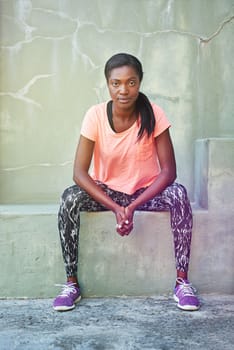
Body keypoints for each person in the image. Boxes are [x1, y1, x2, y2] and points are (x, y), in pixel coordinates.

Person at [53, 53, 200, 312]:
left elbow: (168, 172)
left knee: (178, 194)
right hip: (107, 191)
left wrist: (131, 207)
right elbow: (79, 172)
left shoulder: (154, 113)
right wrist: (115, 206)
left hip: (144, 192)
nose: (123, 90)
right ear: (108, 84)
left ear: (140, 82)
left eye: (131, 82)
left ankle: (182, 282)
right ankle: (71, 283)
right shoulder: (95, 115)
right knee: (69, 197)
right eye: (116, 83)